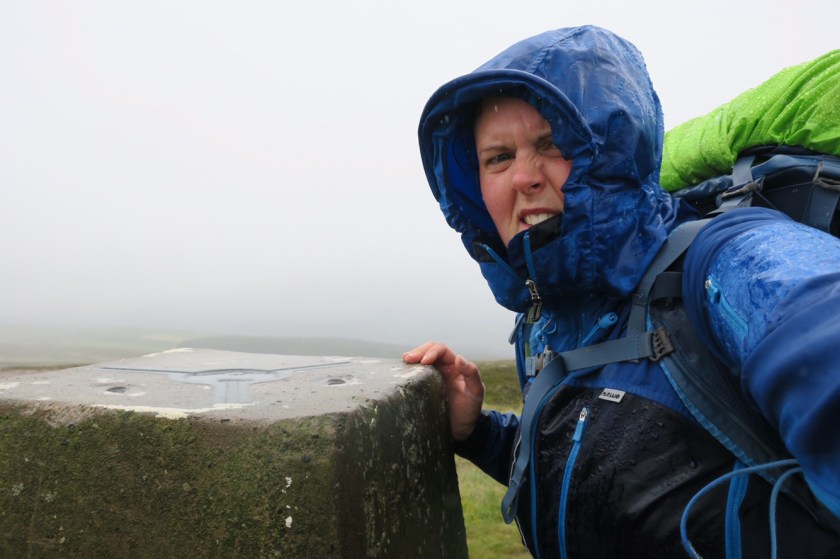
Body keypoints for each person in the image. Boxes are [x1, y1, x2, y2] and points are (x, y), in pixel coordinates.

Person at [403, 25, 840, 558]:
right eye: (498, 158)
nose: (522, 178)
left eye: (552, 144)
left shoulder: (726, 260)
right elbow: (590, 470)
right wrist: (480, 435)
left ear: (615, 153)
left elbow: (813, 318)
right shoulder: (542, 320)